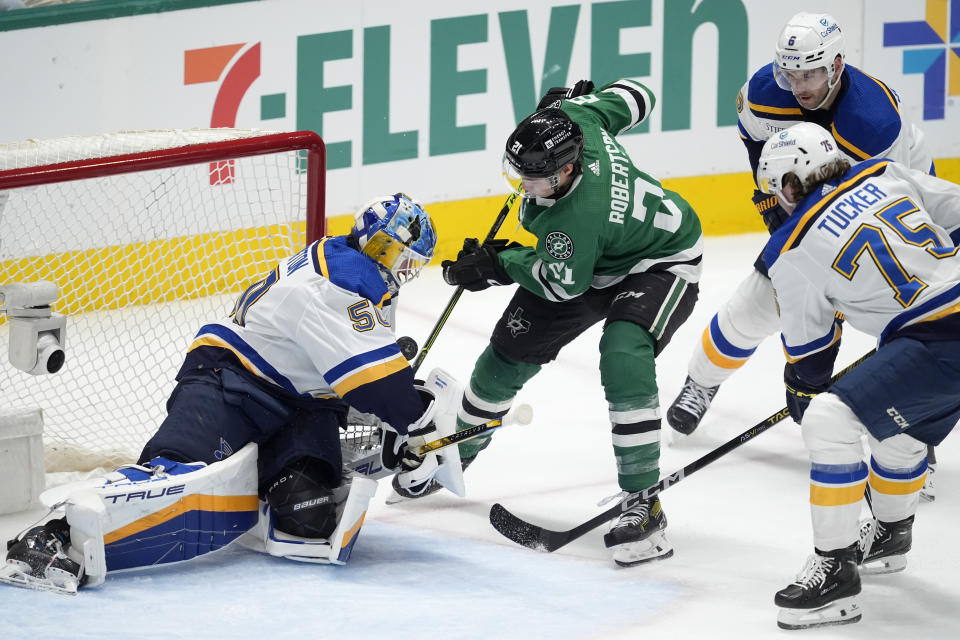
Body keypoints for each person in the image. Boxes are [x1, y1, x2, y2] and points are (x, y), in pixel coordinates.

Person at [1, 193, 454, 593]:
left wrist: (398, 437)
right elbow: (374, 383)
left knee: (307, 516)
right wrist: (413, 419)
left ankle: (254, 482)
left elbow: (359, 382)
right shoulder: (343, 280)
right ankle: (53, 534)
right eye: (399, 255)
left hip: (300, 405)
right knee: (176, 476)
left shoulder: (354, 266)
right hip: (232, 379)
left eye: (408, 262)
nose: (401, 269)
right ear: (378, 245)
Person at [392, 79, 704, 567]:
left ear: (565, 171)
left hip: (660, 264)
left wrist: (499, 264)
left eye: (534, 180)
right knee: (504, 358)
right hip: (597, 260)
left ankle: (644, 504)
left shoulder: (574, 221)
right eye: (518, 173)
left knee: (622, 355)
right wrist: (570, 107)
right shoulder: (579, 120)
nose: (523, 187)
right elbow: (640, 94)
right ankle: (460, 450)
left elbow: (563, 286)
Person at [665, 13, 935, 452]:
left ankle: (914, 446)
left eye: (810, 73)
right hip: (817, 206)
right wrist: (773, 200)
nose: (800, 85)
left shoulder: (875, 124)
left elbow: (893, 200)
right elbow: (757, 145)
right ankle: (701, 382)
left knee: (914, 342)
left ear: (837, 65)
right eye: (790, 73)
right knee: (750, 310)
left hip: (890, 217)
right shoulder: (765, 94)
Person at [754, 122, 960, 629]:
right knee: (897, 424)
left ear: (787, 186)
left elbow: (813, 354)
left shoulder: (791, 248)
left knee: (828, 420)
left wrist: (803, 390)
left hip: (938, 340)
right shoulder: (885, 171)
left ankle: (835, 571)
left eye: (772, 193)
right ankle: (890, 533)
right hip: (934, 334)